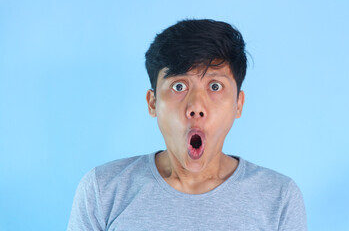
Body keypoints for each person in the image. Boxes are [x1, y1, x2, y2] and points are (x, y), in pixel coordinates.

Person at [67, 19, 307, 231]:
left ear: (238, 104)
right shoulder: (102, 190)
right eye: (179, 86)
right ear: (153, 103)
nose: (196, 106)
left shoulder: (278, 197)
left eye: (215, 86)